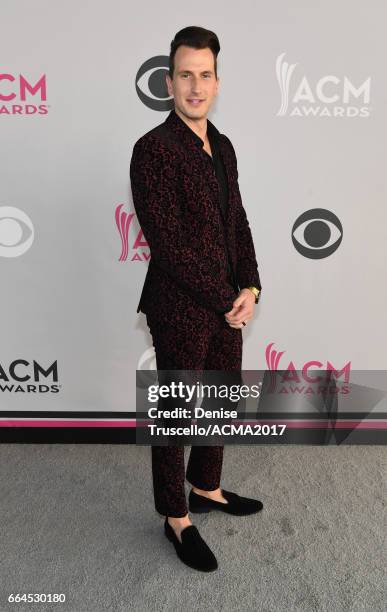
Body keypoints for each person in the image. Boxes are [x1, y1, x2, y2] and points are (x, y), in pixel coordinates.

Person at [130, 26, 263, 572]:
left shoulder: (224, 146)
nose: (195, 85)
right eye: (185, 75)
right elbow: (170, 245)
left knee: (222, 403)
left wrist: (252, 287)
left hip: (227, 306)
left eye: (204, 74)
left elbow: (237, 225)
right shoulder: (152, 150)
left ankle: (207, 486)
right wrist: (226, 296)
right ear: (169, 81)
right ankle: (175, 517)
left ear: (217, 81)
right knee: (177, 413)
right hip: (179, 307)